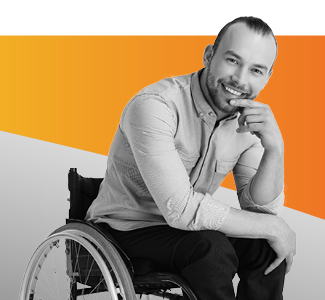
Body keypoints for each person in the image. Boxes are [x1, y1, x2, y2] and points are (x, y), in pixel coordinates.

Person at [86, 16, 297, 300]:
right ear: (209, 55)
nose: (241, 79)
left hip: (188, 231)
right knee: (211, 248)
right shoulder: (155, 106)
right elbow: (179, 209)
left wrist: (275, 150)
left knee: (267, 246)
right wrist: (275, 227)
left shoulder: (251, 121)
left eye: (256, 70)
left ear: (268, 76)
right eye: (233, 61)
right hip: (126, 228)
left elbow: (260, 213)